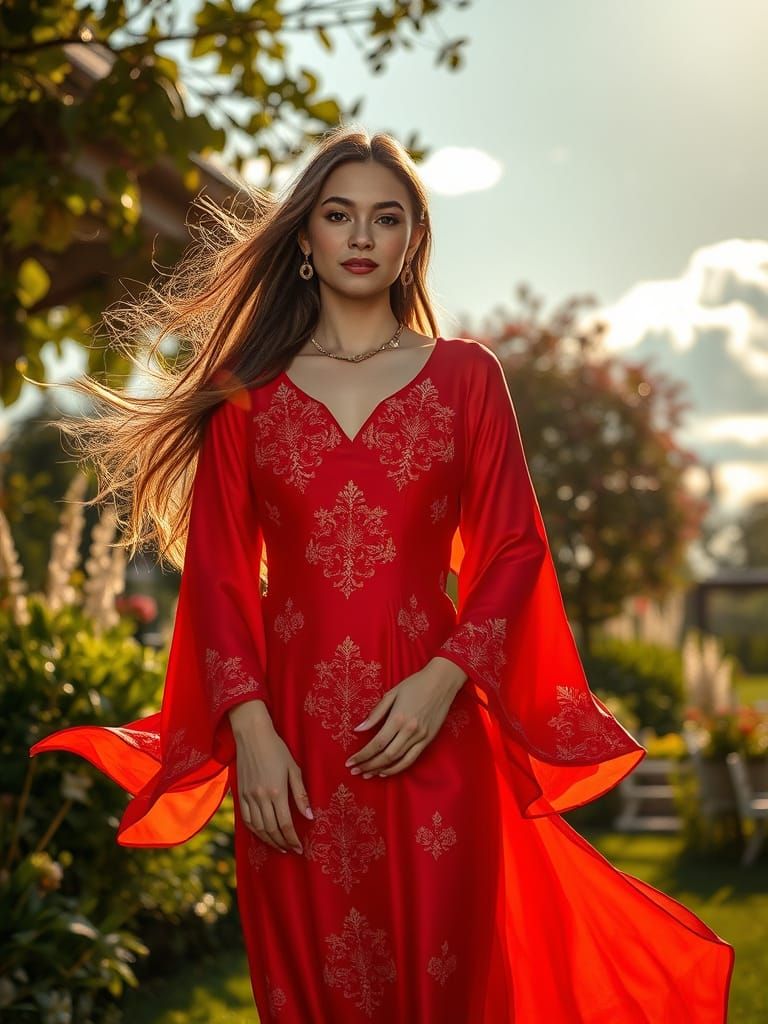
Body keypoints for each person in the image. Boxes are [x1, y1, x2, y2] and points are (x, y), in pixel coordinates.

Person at [29, 125, 735, 1021]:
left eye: (386, 217)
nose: (361, 236)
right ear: (306, 239)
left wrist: (444, 682)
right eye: (338, 214)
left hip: (436, 741)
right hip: (288, 753)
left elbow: (514, 549)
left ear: (412, 242)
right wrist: (249, 732)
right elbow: (216, 577)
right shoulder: (248, 392)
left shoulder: (468, 378)